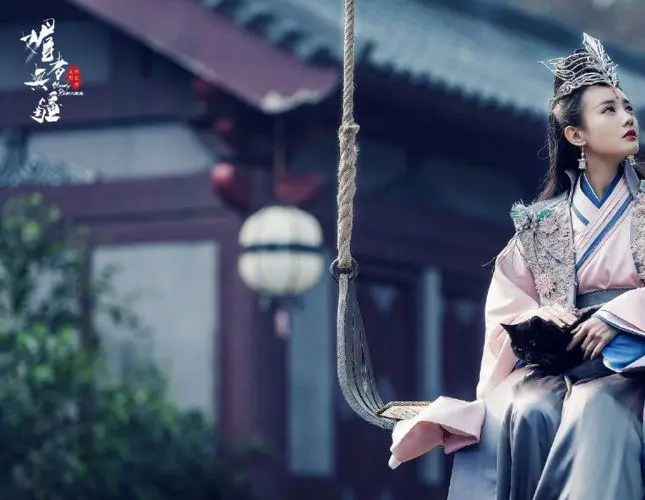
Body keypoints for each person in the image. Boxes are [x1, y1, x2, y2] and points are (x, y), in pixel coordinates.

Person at [388, 33, 645, 500]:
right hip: (565, 360)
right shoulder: (541, 223)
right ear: (575, 135)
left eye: (627, 107)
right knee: (525, 409)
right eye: (609, 110)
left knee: (595, 406)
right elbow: (508, 306)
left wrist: (621, 315)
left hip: (633, 362)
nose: (628, 117)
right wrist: (540, 317)